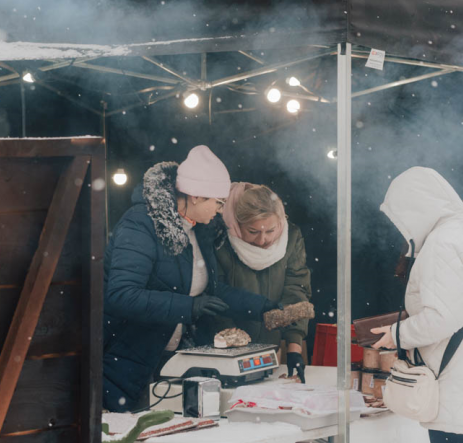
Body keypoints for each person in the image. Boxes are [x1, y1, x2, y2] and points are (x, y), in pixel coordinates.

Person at [102, 146, 279, 412]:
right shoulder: (140, 225)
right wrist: (188, 307)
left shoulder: (200, 232)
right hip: (131, 360)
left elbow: (212, 293)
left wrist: (264, 307)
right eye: (218, 202)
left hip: (176, 361)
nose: (220, 211)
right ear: (195, 196)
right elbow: (121, 295)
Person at [371, 167, 463, 443]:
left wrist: (396, 334)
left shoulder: (443, 242)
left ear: (416, 208)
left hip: (459, 389)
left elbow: (443, 318)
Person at [216, 183, 312, 382]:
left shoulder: (291, 237)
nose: (263, 240)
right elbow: (215, 295)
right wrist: (232, 342)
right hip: (223, 354)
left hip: (270, 351)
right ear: (236, 223)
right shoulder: (219, 239)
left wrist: (294, 348)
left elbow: (295, 290)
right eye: (253, 231)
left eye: (270, 230)